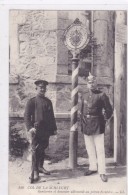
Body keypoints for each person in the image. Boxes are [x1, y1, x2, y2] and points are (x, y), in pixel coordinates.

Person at [80, 73, 113, 182]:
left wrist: (105, 119)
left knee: (100, 149)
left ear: (96, 83)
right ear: (87, 84)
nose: (91, 84)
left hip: (98, 124)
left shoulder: (102, 95)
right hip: (86, 124)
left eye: (93, 82)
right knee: (89, 147)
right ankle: (93, 167)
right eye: (89, 82)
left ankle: (102, 171)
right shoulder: (84, 95)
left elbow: (109, 110)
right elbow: (81, 111)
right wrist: (82, 123)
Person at [24, 79, 57, 182]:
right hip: (35, 131)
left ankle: (40, 167)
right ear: (36, 88)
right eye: (40, 87)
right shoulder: (32, 101)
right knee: (35, 151)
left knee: (42, 149)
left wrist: (54, 129)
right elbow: (26, 116)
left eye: (44, 88)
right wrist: (30, 128)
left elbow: (51, 117)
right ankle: (34, 172)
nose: (42, 89)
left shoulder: (48, 102)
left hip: (45, 130)